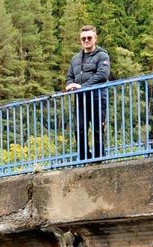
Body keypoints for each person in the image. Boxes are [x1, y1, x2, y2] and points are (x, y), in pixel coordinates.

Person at [65, 25, 110, 162]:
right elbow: (69, 77)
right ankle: (85, 159)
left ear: (95, 38)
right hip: (80, 100)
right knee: (79, 130)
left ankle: (98, 160)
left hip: (97, 98)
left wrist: (82, 86)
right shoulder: (75, 59)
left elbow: (102, 75)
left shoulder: (102, 55)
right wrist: (70, 86)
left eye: (89, 38)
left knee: (97, 130)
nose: (86, 40)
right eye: (83, 38)